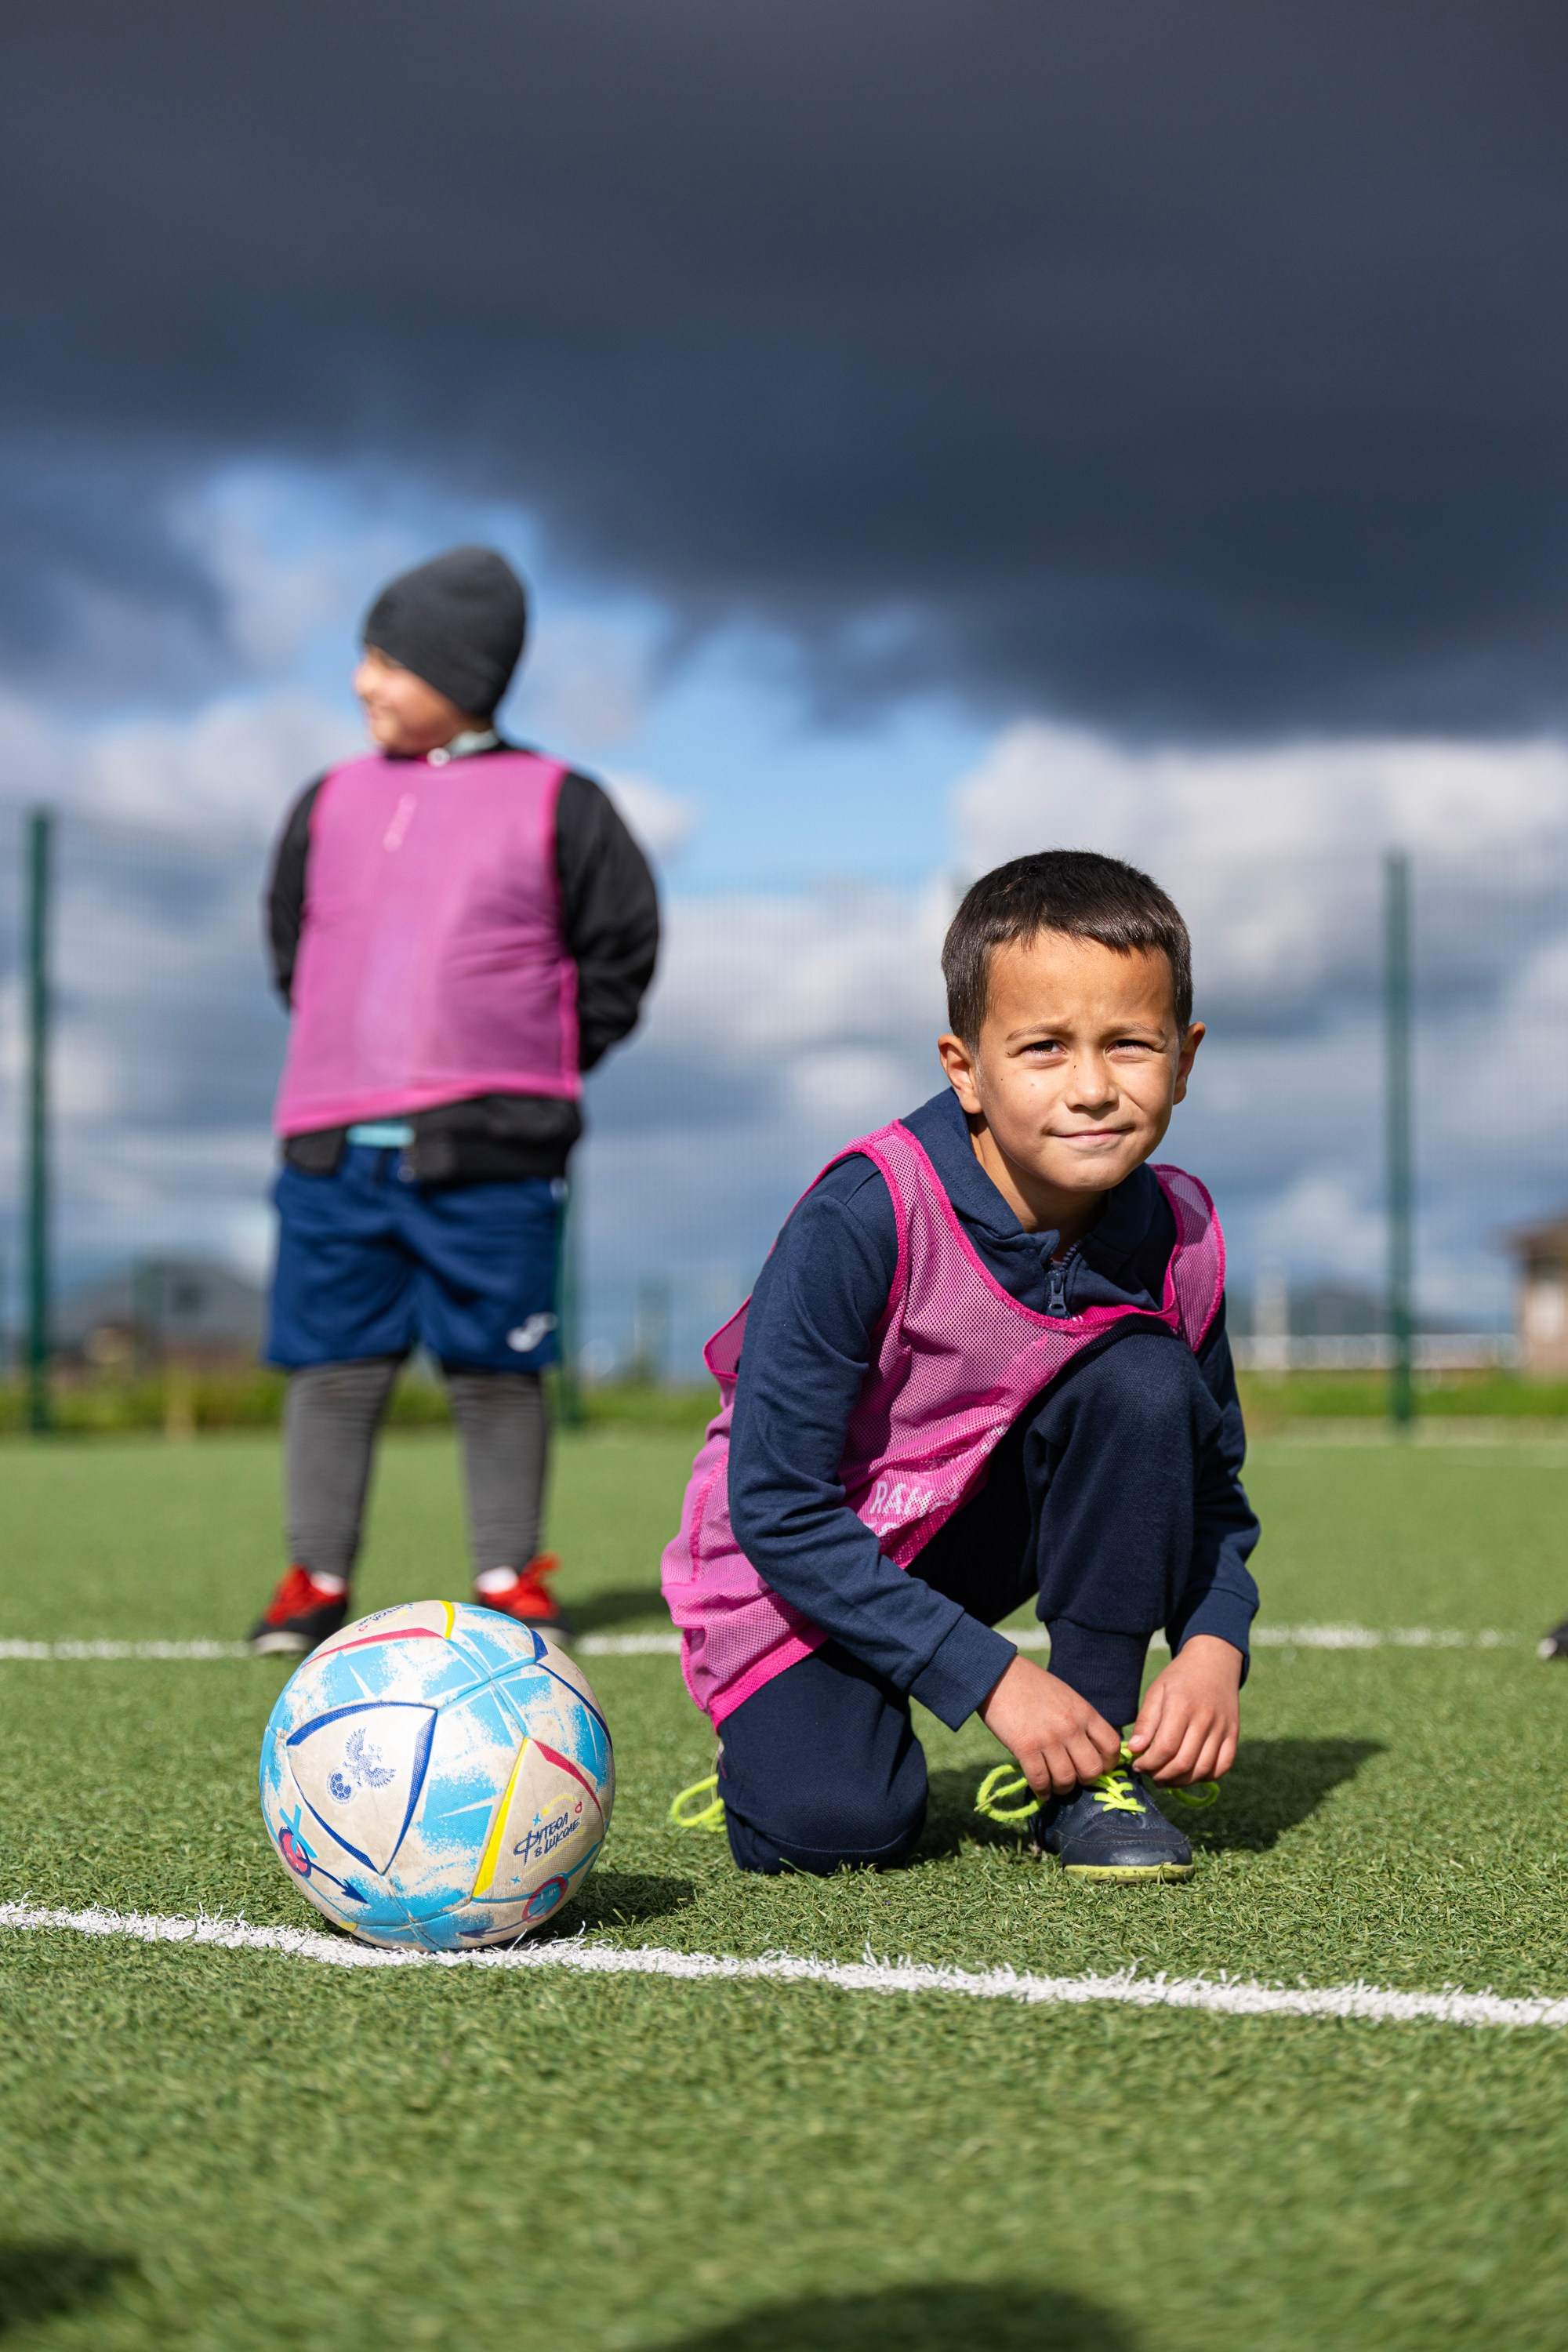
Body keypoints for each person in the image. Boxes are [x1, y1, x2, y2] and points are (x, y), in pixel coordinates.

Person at [662, 849, 1258, 1880]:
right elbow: (778, 1508)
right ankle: (768, 1752)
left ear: (1186, 1057)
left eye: (1130, 1045)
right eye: (1042, 1048)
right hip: (804, 1565)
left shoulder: (1184, 1236)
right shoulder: (865, 1214)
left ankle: (1089, 1772)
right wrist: (993, 1679)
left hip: (975, 1530)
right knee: (837, 1829)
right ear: (964, 1068)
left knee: (1143, 1379)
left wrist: (1215, 1646)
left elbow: (1210, 1494)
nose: (1091, 1088)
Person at [249, 545, 659, 1657]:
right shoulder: (327, 798)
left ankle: (509, 1577)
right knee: (334, 1368)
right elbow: (292, 942)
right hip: (336, 1144)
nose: (363, 683)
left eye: (385, 661)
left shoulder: (562, 803)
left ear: (461, 673)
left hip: (498, 1145)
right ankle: (314, 1579)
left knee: (496, 1366)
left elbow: (622, 952)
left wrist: (538, 1058)